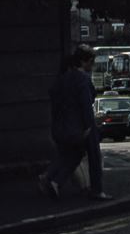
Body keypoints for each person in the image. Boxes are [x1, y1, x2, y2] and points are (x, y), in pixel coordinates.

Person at [37, 44, 111, 201]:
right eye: (92, 62)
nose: (93, 66)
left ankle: (51, 180)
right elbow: (86, 105)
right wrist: (89, 128)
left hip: (59, 127)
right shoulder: (82, 80)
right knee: (93, 156)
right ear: (87, 61)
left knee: (71, 154)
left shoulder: (63, 78)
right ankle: (97, 190)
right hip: (77, 127)